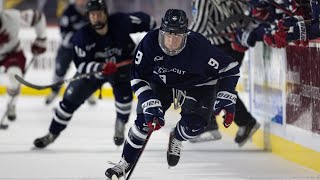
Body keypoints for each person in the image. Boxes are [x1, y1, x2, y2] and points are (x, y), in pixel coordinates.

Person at [105, 9, 240, 179]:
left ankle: (176, 136)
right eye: (168, 34)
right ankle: (124, 162)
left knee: (194, 127)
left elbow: (230, 68)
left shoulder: (199, 47)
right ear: (161, 32)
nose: (171, 40)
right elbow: (137, 76)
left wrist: (227, 95)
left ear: (186, 35)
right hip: (161, 83)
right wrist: (147, 100)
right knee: (144, 122)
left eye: (177, 36)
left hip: (197, 84)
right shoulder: (149, 43)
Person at [33, 0, 156, 148]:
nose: (96, 18)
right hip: (94, 73)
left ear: (105, 13)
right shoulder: (82, 36)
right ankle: (52, 134)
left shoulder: (121, 21)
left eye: (99, 14)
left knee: (124, 98)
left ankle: (120, 123)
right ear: (88, 17)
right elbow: (81, 65)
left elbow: (150, 22)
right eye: (92, 15)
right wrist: (100, 66)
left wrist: (152, 42)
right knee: (68, 102)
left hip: (122, 70)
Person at [189, 0, 260, 146]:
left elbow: (199, 26)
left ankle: (211, 125)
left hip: (223, 47)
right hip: (233, 45)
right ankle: (240, 122)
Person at [45, 0, 97, 105]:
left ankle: (88, 92)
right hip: (67, 48)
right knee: (60, 70)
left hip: (84, 49)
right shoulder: (68, 12)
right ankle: (54, 91)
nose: (82, 2)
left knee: (87, 70)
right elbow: (63, 33)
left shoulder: (92, 11)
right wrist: (76, 39)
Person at [0, 8, 47, 122]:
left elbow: (38, 17)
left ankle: (12, 103)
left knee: (15, 75)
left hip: (12, 54)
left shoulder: (13, 17)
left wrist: (41, 39)